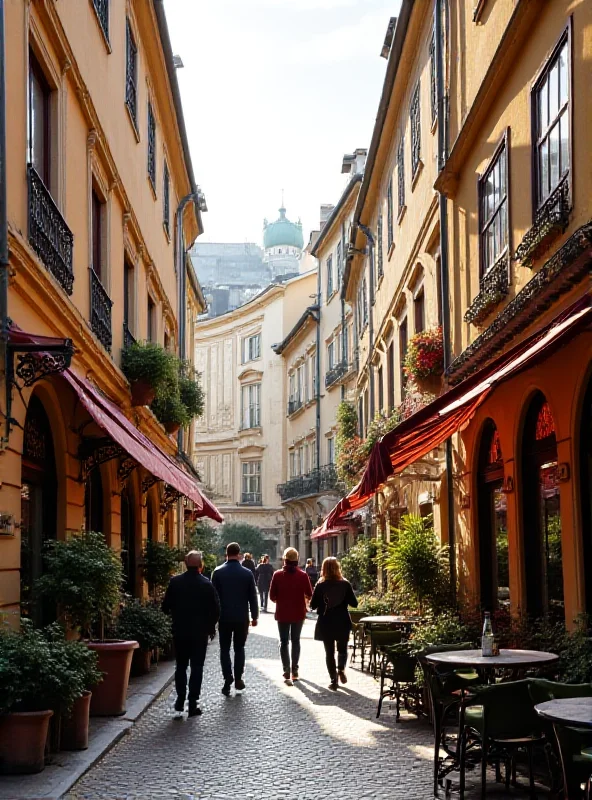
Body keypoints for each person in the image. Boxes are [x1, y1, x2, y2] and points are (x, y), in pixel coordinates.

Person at [161, 550, 220, 717]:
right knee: (197, 667)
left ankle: (180, 698)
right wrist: (210, 627)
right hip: (199, 633)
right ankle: (193, 703)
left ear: (186, 564)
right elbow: (216, 610)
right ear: (200, 565)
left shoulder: (175, 582)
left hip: (180, 631)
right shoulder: (206, 584)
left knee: (181, 666)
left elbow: (165, 607)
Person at [212, 542, 259, 696]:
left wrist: (212, 619)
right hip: (241, 617)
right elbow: (253, 597)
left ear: (226, 553)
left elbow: (213, 599)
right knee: (239, 649)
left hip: (223, 617)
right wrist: (255, 616)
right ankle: (238, 678)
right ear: (239, 554)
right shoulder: (247, 573)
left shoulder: (217, 572)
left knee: (224, 649)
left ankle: (227, 679)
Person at [310, 556, 357, 691]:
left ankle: (333, 680)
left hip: (326, 621)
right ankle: (341, 668)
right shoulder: (345, 584)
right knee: (342, 649)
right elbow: (354, 603)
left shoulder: (320, 585)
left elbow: (313, 605)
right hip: (342, 620)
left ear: (323, 569)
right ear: (338, 568)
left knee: (329, 653)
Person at [269, 547, 312, 685]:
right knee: (296, 641)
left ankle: (286, 670)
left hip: (282, 613)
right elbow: (310, 594)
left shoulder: (277, 575)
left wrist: (280, 600)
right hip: (298, 612)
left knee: (284, 641)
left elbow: (272, 596)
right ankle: (295, 670)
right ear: (297, 560)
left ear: (285, 559)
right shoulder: (303, 575)